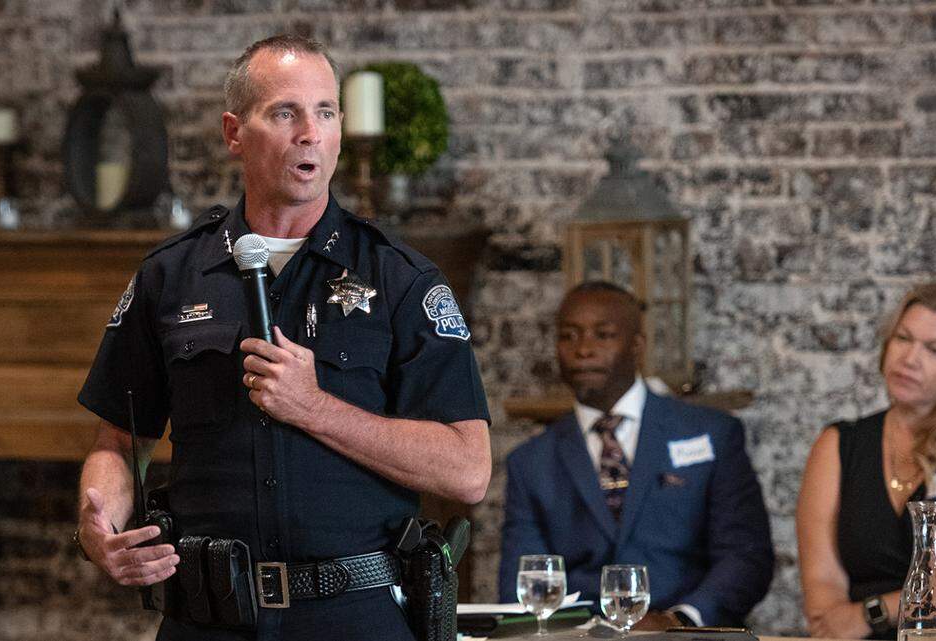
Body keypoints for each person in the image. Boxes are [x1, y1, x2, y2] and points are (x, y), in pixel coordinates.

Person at [73, 34, 491, 641]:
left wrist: (316, 407)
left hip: (357, 616)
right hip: (208, 619)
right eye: (285, 112)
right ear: (234, 133)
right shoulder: (171, 274)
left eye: (325, 113)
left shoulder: (401, 278)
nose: (309, 133)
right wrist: (98, 526)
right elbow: (117, 441)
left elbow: (468, 470)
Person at [499, 281, 774, 628]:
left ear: (637, 346)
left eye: (603, 334)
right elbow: (521, 584)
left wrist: (681, 621)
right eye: (569, 336)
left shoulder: (711, 434)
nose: (583, 349)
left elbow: (746, 556)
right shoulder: (530, 462)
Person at [797, 280, 936, 639]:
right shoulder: (839, 444)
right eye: (903, 339)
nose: (910, 359)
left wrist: (872, 613)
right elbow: (823, 587)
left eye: (934, 350)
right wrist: (844, 621)